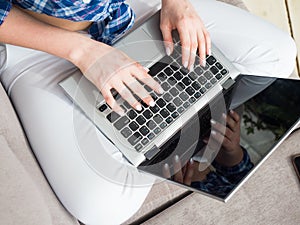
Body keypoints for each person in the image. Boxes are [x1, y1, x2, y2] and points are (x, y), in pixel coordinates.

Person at [0, 0, 297, 224]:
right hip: (41, 46)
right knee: (104, 209)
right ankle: (171, 144)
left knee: (279, 54)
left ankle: (181, 138)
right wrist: (83, 52)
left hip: (132, 8)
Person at [163, 110, 254, 198]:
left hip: (171, 178)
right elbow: (244, 174)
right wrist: (232, 152)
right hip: (206, 154)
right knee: (236, 108)